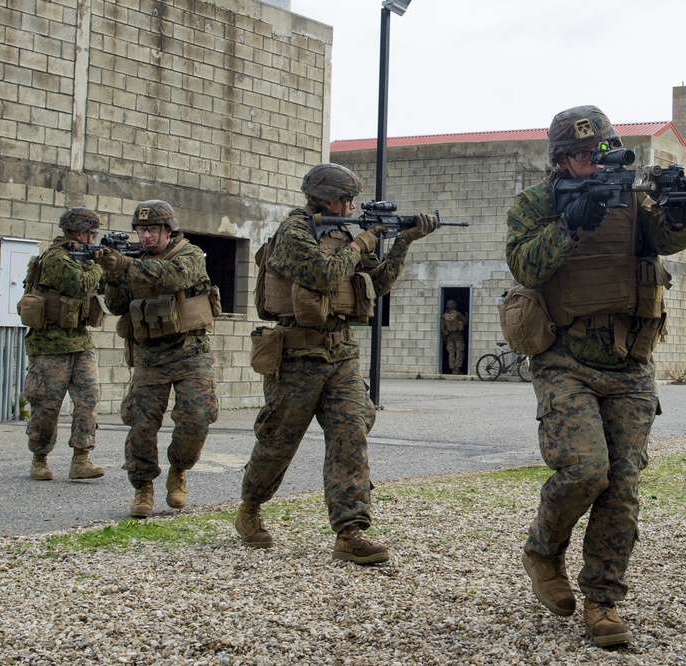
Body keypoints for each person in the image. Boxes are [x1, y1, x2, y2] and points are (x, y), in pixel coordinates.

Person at [505, 106, 686, 646]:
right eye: (579, 155)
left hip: (630, 362)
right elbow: (524, 265)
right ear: (560, 160)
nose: (592, 163)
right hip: (565, 358)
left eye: (600, 152)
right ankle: (543, 552)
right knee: (585, 471)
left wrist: (682, 211)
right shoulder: (537, 203)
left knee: (622, 485)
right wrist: (572, 224)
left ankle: (602, 601)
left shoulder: (635, 199)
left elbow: (671, 236)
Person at [236, 162, 437, 564]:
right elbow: (324, 275)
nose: (351, 205)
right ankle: (250, 507)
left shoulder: (342, 234)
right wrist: (363, 242)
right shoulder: (293, 233)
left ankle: (350, 532)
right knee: (278, 442)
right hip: (295, 357)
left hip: (340, 355)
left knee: (350, 435)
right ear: (325, 197)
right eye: (347, 198)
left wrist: (404, 241)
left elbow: (375, 285)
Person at [96, 200, 219, 518]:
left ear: (168, 229)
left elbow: (172, 278)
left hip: (191, 353)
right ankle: (143, 487)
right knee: (141, 423)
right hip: (149, 356)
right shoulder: (130, 261)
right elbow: (117, 305)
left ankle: (179, 469)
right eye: (141, 229)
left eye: (152, 229)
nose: (146, 235)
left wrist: (125, 265)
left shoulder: (188, 254)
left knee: (197, 417)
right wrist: (111, 276)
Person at [22, 207, 107, 482]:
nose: (94, 239)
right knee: (47, 406)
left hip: (80, 341)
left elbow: (102, 287)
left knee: (88, 399)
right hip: (50, 345)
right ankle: (40, 459)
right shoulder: (57, 258)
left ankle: (81, 458)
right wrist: (99, 265)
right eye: (92, 234)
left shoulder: (81, 257)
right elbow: (80, 284)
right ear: (80, 232)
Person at [440, 299, 468, 374]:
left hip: (449, 336)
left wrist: (445, 338)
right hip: (458, 335)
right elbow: (465, 322)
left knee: (451, 353)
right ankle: (457, 369)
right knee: (460, 352)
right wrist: (466, 315)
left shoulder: (444, 316)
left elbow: (442, 328)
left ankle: (452, 369)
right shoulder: (458, 314)